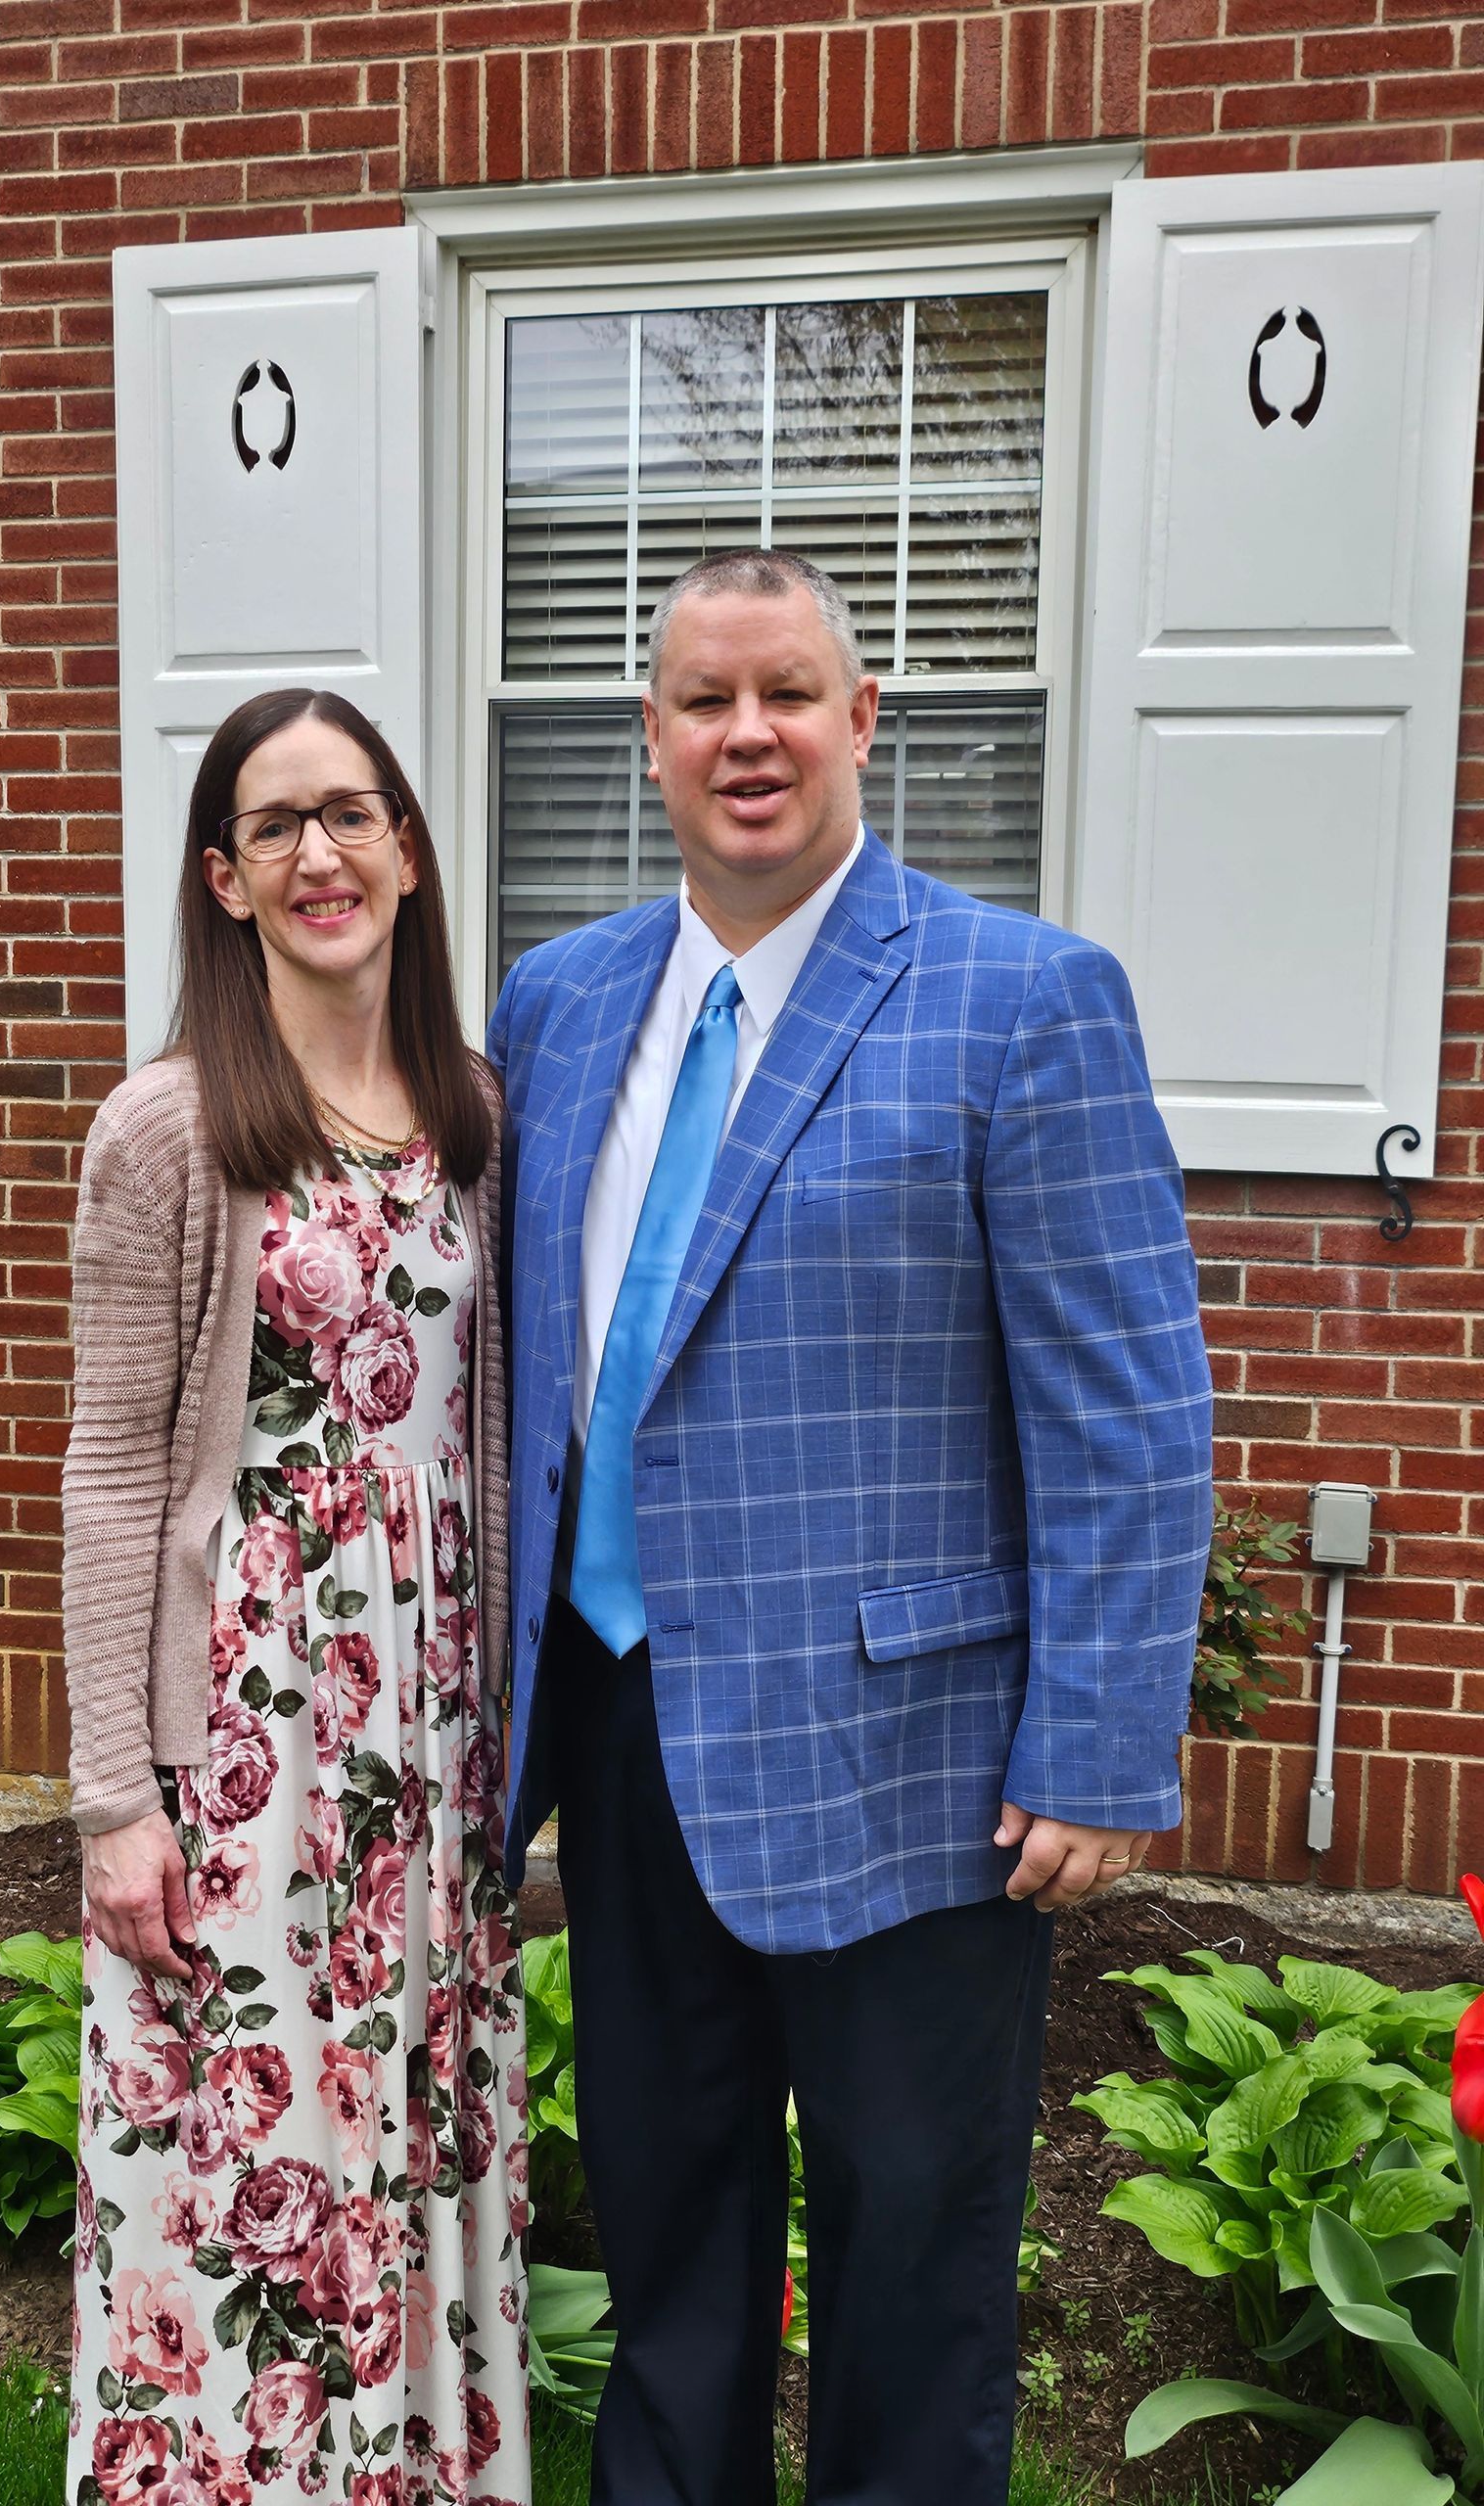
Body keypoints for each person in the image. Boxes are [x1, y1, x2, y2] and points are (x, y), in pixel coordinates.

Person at [487, 549, 1213, 2506]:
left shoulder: (1021, 998)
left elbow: (1127, 1403)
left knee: (912, 2265)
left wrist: (1097, 1735)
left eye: (789, 692)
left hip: (916, 1764)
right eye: (706, 699)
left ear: (863, 717)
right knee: (666, 2235)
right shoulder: (553, 1007)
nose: (749, 734)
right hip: (631, 1722)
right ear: (648, 739)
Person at [62, 688, 530, 2506]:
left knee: (415, 2123)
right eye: (276, 826)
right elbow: (111, 1471)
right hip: (247, 1734)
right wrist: (119, 1797)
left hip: (436, 1734)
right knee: (240, 2139)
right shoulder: (171, 1129)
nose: (320, 852)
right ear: (226, 879)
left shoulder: (479, 1114)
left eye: (353, 814)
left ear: (409, 851)